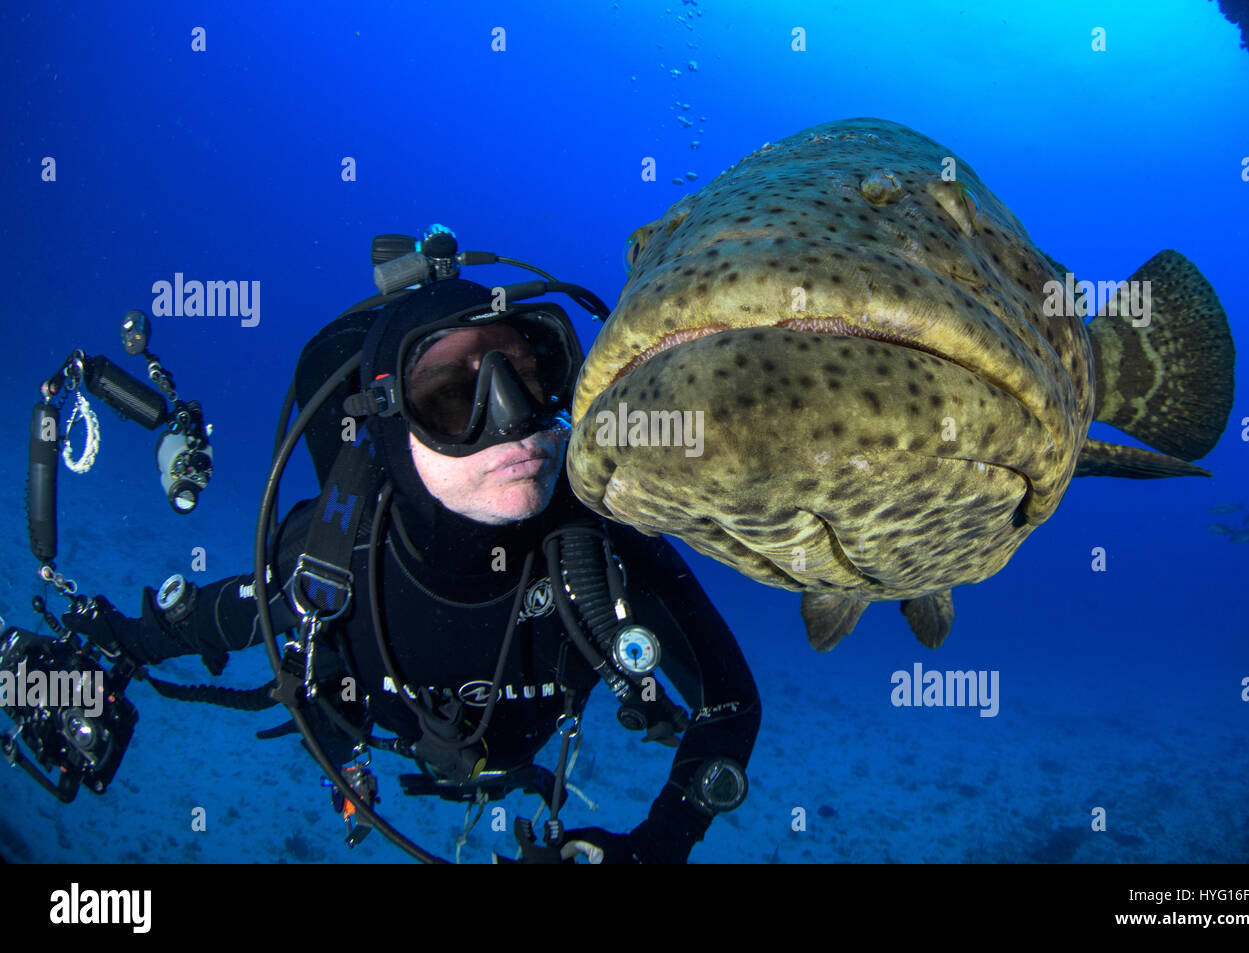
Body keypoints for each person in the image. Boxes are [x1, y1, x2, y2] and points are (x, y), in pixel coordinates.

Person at [60, 259, 761, 864]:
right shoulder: (331, 558)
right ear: (392, 420)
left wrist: (652, 847)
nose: (512, 417)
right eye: (451, 396)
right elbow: (192, 624)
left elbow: (730, 704)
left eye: (530, 375)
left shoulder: (604, 552)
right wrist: (100, 653)